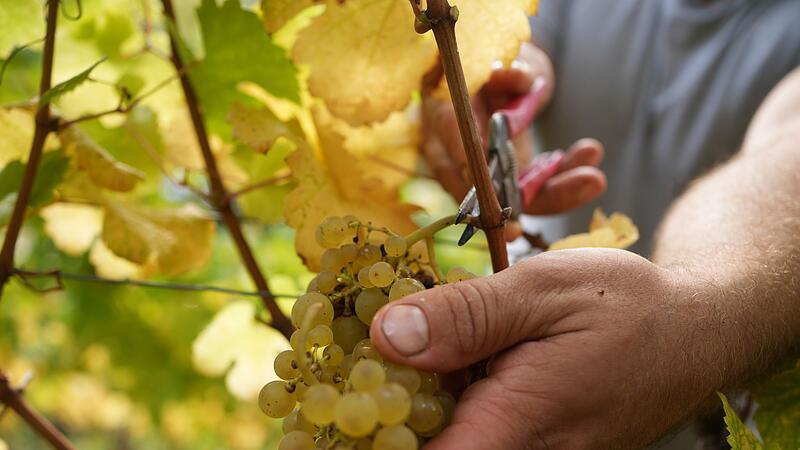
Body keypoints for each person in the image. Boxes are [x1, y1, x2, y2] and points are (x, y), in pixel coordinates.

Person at [369, 1, 800, 449]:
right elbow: (518, 32)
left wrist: (692, 304)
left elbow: (791, 160)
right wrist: (490, 72)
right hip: (528, 347)